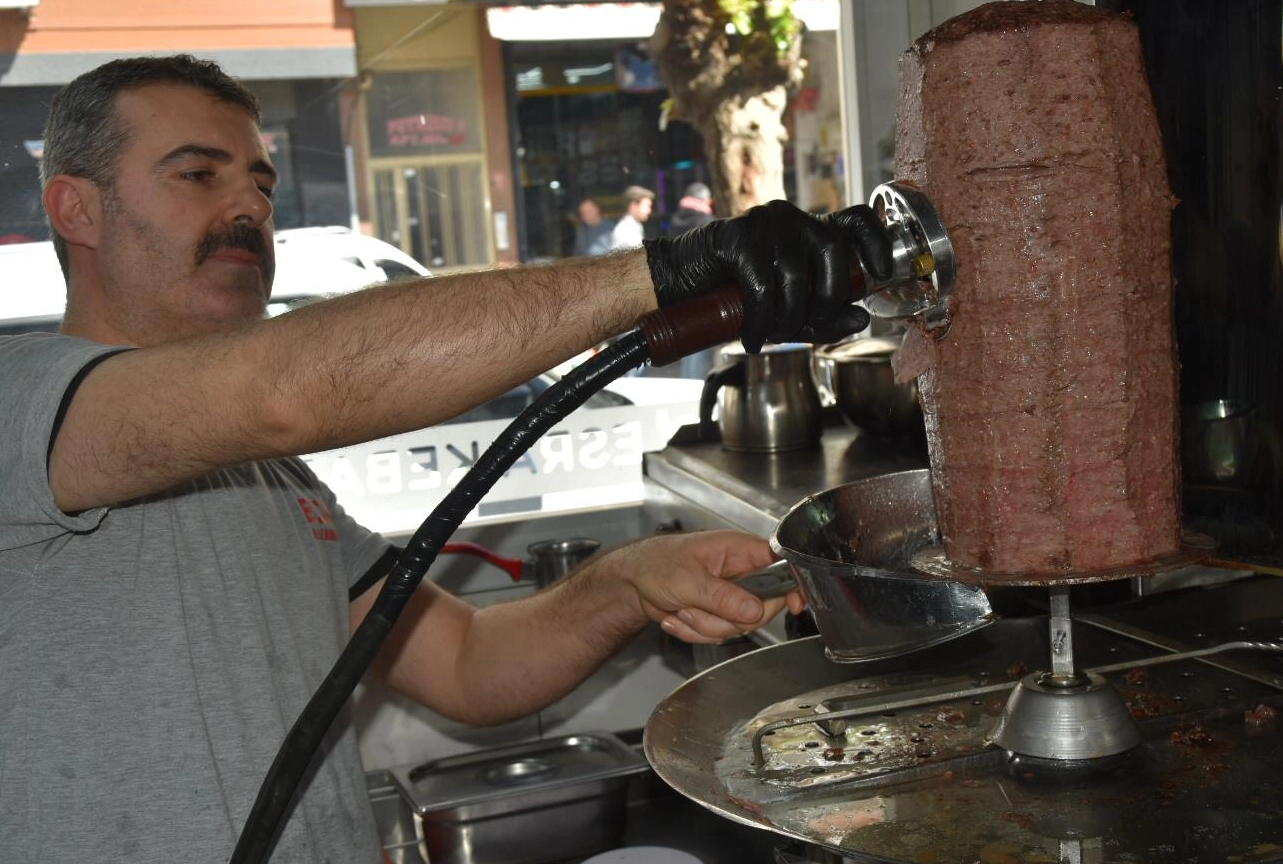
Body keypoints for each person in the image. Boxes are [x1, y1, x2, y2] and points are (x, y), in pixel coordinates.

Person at [0, 55, 891, 864]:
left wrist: (627, 584)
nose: (249, 208)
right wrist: (669, 272)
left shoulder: (266, 478)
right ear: (76, 207)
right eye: (198, 174)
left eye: (261, 184)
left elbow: (463, 662)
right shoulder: (24, 398)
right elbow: (285, 389)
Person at [610, 183, 656, 249]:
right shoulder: (627, 230)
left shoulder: (633, 225)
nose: (649, 211)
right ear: (633, 206)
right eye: (646, 206)